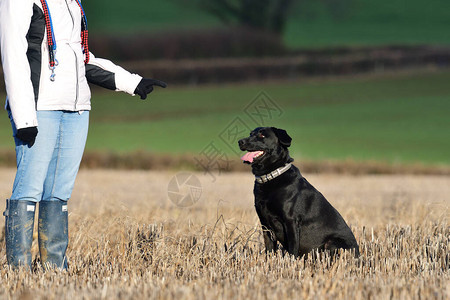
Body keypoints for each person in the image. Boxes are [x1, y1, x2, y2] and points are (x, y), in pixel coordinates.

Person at [0, 0, 167, 270]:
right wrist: (24, 116)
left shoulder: (72, 2)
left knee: (58, 193)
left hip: (77, 110)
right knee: (29, 190)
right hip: (39, 107)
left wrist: (132, 82)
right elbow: (13, 57)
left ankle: (54, 269)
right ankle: (18, 270)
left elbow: (81, 58)